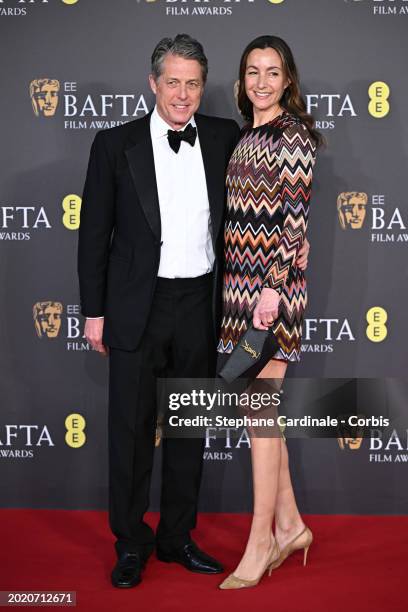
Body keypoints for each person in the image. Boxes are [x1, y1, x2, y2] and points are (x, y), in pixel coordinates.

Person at [78, 32, 310, 589]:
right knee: (131, 430)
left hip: (202, 304)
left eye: (193, 84)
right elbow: (92, 236)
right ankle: (131, 543)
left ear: (205, 89)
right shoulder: (114, 144)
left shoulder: (228, 136)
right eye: (173, 82)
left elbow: (283, 202)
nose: (182, 94)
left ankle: (178, 537)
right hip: (138, 305)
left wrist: (292, 264)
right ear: (154, 83)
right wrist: (94, 311)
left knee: (187, 430)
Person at [217, 35, 321, 589]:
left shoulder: (295, 135)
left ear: (288, 81)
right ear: (242, 80)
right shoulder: (246, 136)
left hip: (271, 295)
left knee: (260, 415)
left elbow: (294, 221)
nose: (261, 81)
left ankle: (261, 543)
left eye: (272, 72)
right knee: (264, 417)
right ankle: (292, 526)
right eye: (253, 72)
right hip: (239, 290)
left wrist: (272, 291)